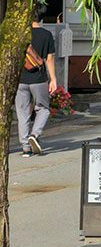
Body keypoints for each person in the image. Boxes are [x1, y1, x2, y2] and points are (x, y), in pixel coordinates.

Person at [16, 19, 56, 155]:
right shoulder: (46, 35)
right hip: (39, 80)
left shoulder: (20, 33)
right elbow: (49, 59)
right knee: (43, 109)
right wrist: (53, 79)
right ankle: (35, 134)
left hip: (20, 80)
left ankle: (25, 147)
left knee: (22, 112)